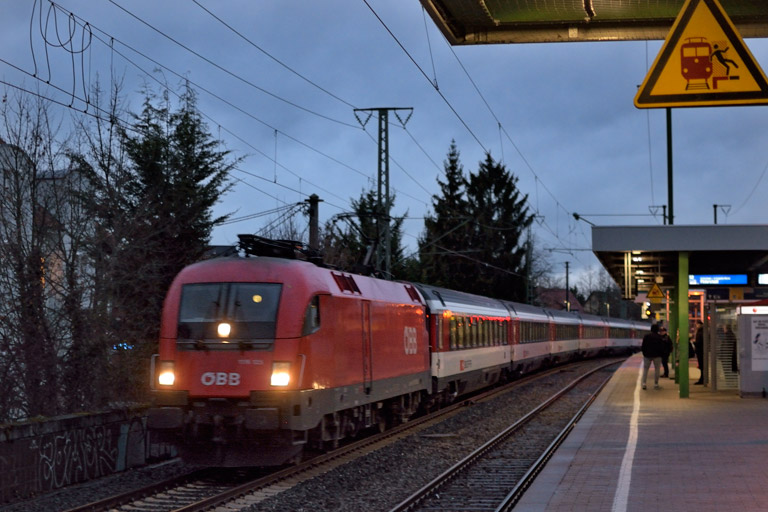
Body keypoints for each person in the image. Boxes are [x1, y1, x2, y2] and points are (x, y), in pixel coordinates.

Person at [641, 323, 665, 390]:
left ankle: (644, 384)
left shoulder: (646, 336)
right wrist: (661, 354)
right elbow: (662, 347)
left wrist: (644, 353)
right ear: (657, 329)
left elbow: (643, 346)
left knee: (645, 370)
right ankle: (656, 384)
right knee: (657, 370)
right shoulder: (659, 337)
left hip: (647, 356)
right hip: (657, 356)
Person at [694, 320, 704, 385]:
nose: (696, 326)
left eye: (697, 324)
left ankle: (702, 379)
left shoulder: (700, 332)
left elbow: (700, 342)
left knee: (701, 365)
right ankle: (702, 378)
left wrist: (695, 343)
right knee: (701, 365)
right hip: (700, 350)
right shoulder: (701, 331)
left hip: (700, 351)